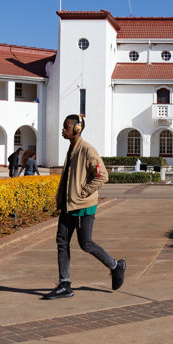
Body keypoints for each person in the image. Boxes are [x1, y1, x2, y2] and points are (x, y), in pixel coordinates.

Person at [42, 114, 125, 299]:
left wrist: (83, 192)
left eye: (66, 127)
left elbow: (102, 175)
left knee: (85, 243)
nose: (63, 130)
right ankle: (65, 284)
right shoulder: (72, 149)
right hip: (68, 206)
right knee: (62, 242)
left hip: (82, 207)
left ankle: (115, 266)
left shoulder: (88, 150)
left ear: (77, 129)